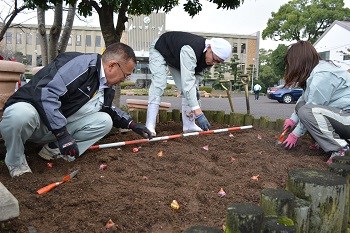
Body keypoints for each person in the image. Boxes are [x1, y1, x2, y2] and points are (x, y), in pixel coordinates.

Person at [0, 42, 152, 177]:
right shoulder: (79, 66)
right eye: (125, 75)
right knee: (20, 115)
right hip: (34, 121)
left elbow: (109, 108)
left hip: (53, 129)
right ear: (112, 65)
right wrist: (62, 134)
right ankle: (16, 162)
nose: (124, 80)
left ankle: (53, 151)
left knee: (105, 121)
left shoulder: (105, 85)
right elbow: (46, 94)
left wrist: (132, 124)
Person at [145, 31, 232, 136]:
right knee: (159, 83)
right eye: (214, 59)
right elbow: (188, 83)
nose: (214, 63)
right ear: (209, 48)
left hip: (177, 57)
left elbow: (196, 77)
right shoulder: (191, 50)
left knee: (191, 91)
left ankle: (189, 125)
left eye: (217, 62)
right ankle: (149, 126)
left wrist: (194, 91)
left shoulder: (208, 60)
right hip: (161, 48)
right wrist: (198, 113)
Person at [282, 40, 350, 164]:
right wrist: (293, 119)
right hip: (341, 116)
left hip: (347, 118)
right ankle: (324, 143)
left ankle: (342, 149)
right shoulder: (315, 72)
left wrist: (296, 134)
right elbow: (304, 99)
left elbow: (310, 110)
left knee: (307, 112)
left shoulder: (323, 75)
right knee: (302, 108)